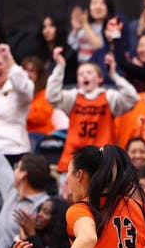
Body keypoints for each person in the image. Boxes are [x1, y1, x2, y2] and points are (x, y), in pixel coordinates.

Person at [46, 46, 138, 178]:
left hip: (101, 160)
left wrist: (114, 75)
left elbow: (132, 98)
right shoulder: (73, 97)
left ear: (100, 79)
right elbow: (52, 96)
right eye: (81, 74)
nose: (84, 76)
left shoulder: (108, 97)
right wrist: (60, 67)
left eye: (89, 72)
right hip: (74, 158)